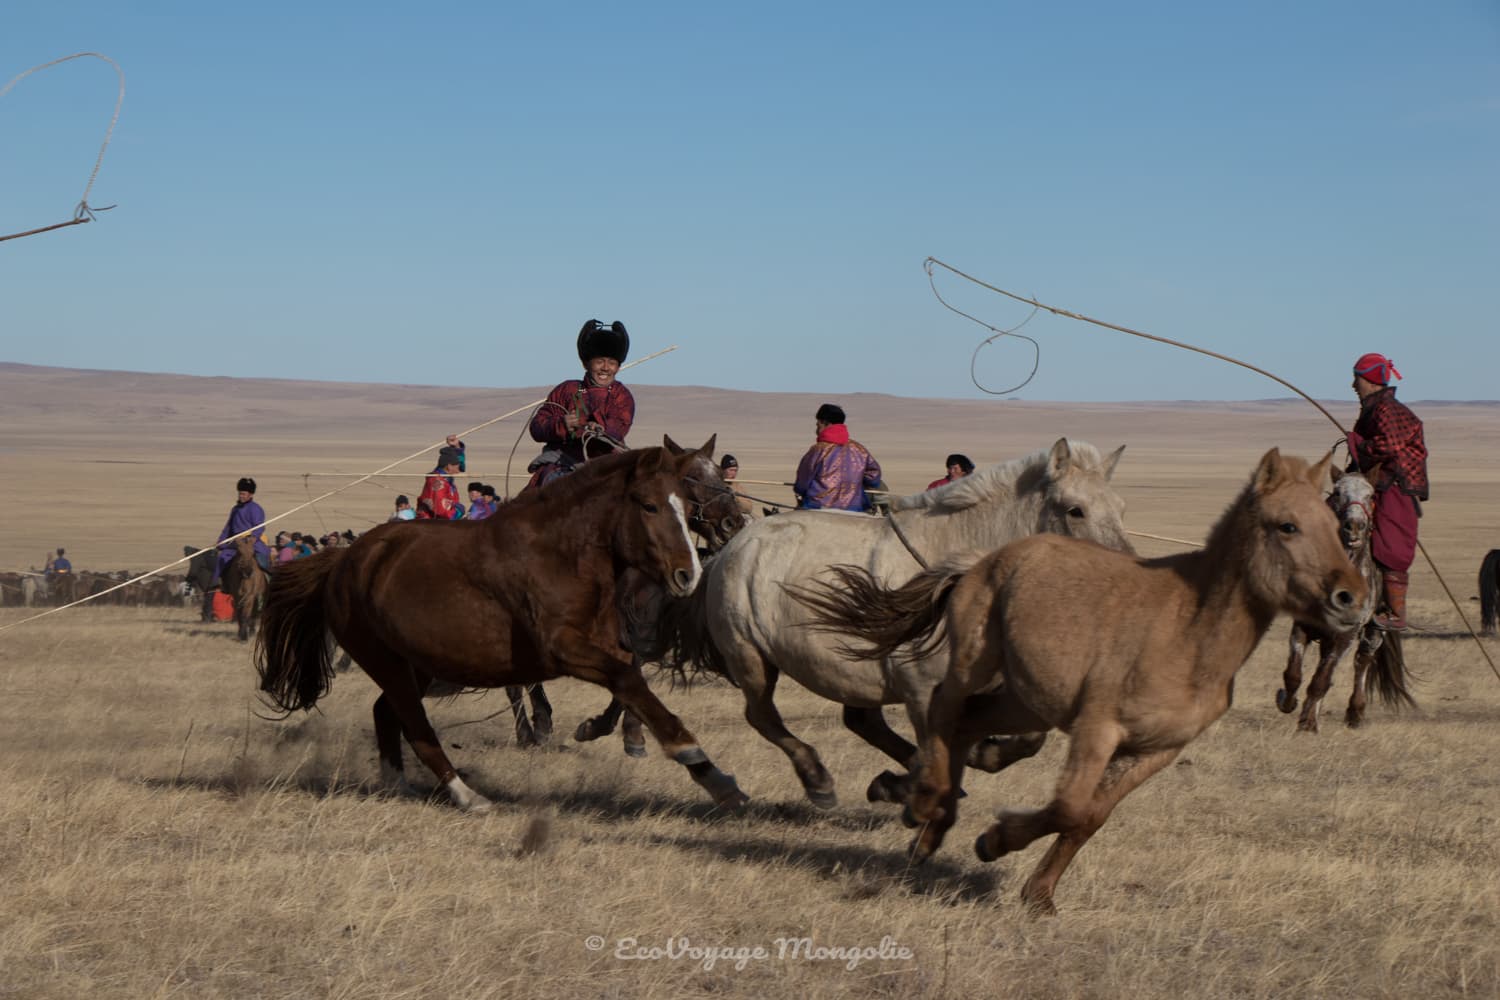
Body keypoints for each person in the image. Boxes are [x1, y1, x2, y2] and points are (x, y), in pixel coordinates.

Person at [1347, 352, 1428, 631]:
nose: (1353, 385)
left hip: (1395, 484)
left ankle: (1396, 613)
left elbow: (1388, 446)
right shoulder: (1375, 407)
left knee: (1393, 545)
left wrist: (1359, 445)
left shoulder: (1388, 410)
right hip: (1379, 483)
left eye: (1357, 378)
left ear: (1370, 380)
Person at [525, 319, 636, 490]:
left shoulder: (621, 395)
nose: (606, 368)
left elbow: (619, 427)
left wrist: (598, 428)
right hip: (561, 464)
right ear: (586, 363)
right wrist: (561, 424)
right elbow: (537, 427)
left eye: (612, 363)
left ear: (618, 367)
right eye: (600, 361)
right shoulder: (567, 390)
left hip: (605, 467)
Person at [793, 403, 882, 512]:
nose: (816, 430)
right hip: (854, 507)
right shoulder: (859, 449)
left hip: (818, 506)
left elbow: (802, 482)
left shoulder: (818, 450)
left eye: (818, 425)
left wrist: (799, 490)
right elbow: (874, 478)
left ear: (824, 423)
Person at [213, 477, 271, 587]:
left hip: (251, 541)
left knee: (262, 560)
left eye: (244, 494)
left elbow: (259, 526)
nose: (241, 496)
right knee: (223, 558)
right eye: (240, 494)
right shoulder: (235, 509)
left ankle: (269, 582)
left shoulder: (255, 508)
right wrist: (221, 541)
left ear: (250, 495)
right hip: (236, 542)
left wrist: (254, 537)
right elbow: (228, 528)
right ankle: (218, 584)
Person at [417, 446, 465, 520]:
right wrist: (459, 511)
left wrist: (457, 447)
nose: (458, 471)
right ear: (449, 466)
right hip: (432, 525)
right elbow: (441, 510)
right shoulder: (437, 482)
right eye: (457, 467)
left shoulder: (446, 479)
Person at [720, 454, 758, 520]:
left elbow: (748, 509)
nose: (734, 473)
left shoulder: (737, 486)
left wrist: (736, 499)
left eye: (735, 470)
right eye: (731, 470)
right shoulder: (715, 483)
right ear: (723, 470)